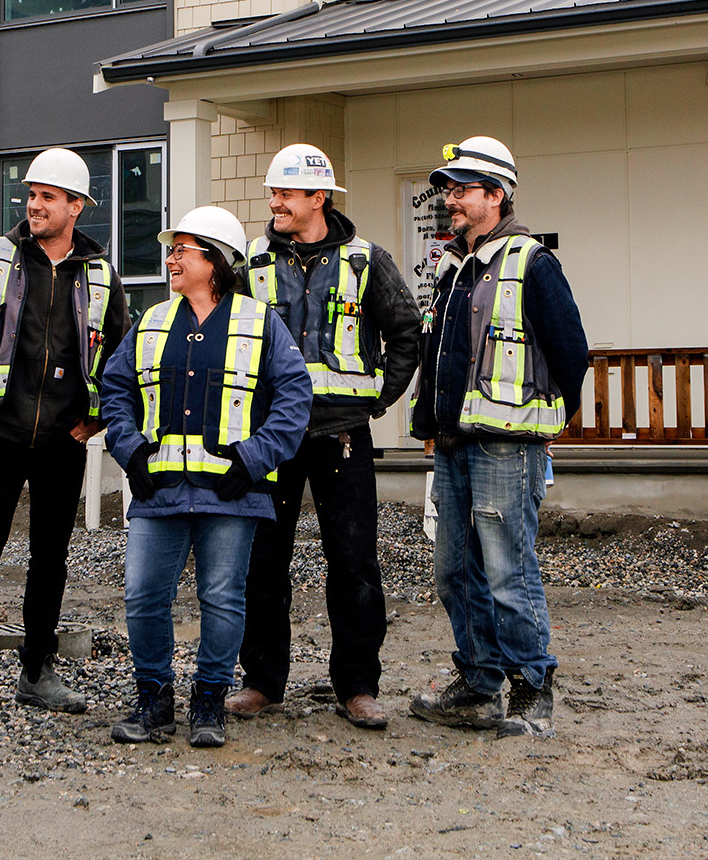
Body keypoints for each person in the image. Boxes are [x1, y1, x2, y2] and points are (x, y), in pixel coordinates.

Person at [99, 206, 312, 748]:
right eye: (171, 250)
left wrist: (254, 459)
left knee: (222, 598)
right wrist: (131, 452)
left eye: (181, 250)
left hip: (231, 493)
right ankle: (153, 703)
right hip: (160, 490)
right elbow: (115, 391)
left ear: (216, 261)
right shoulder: (151, 321)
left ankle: (209, 703)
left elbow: (294, 397)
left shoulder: (260, 321)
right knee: (144, 596)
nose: (170, 259)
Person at [0, 148, 129, 719]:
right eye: (32, 194)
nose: (34, 205)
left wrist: (94, 422)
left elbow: (120, 357)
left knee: (51, 558)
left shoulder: (100, 276)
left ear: (77, 207)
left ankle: (38, 671)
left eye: (48, 197)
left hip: (63, 442)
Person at [227, 144, 421, 730]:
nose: (274, 203)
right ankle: (263, 681)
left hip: (342, 435)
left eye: (286, 193)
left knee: (355, 564)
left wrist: (378, 398)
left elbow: (407, 333)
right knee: (263, 562)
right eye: (273, 193)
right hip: (269, 439)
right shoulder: (252, 263)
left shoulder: (368, 262)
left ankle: (358, 685)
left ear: (319, 198)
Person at [406, 136, 588, 738]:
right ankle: (480, 685)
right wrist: (428, 429)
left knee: (508, 571)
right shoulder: (452, 265)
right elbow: (439, 357)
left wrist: (543, 425)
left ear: (497, 194)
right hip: (456, 444)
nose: (450, 199)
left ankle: (533, 688)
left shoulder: (532, 263)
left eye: (462, 190)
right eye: (449, 190)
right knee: (455, 572)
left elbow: (571, 354)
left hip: (508, 446)